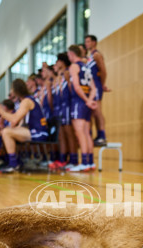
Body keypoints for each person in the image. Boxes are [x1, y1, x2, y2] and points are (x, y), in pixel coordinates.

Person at [0, 78, 49, 173]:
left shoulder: (26, 101)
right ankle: (14, 162)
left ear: (15, 90)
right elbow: (16, 122)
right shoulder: (25, 100)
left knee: (7, 132)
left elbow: (14, 119)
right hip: (34, 130)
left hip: (39, 132)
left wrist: (1, 111)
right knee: (7, 131)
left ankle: (14, 164)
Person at [67, 44, 97, 172]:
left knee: (80, 133)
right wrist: (90, 100)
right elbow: (94, 88)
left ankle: (84, 162)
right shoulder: (86, 67)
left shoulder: (74, 66)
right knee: (86, 132)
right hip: (86, 103)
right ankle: (90, 162)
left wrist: (85, 100)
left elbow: (76, 86)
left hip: (79, 102)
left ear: (72, 54)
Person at [49, 52, 79, 170]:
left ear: (62, 61)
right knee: (61, 136)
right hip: (59, 107)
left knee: (69, 134)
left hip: (66, 105)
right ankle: (62, 159)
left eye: (57, 61)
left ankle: (73, 159)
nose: (56, 63)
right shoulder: (57, 77)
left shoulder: (67, 72)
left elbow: (71, 89)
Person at [85, 34, 108, 146]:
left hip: (97, 86)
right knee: (94, 112)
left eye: (88, 41)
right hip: (92, 87)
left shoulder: (97, 55)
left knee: (98, 111)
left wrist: (102, 85)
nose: (86, 44)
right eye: (86, 42)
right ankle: (98, 135)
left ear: (94, 42)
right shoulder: (89, 57)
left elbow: (103, 71)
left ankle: (102, 135)